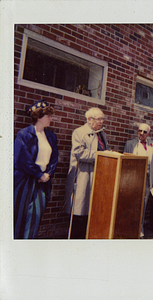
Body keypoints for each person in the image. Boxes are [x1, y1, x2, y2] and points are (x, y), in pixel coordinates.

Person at [14, 99, 58, 239]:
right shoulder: (24, 134)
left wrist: (48, 174)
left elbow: (54, 158)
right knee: (21, 215)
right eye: (48, 116)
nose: (51, 119)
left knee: (36, 216)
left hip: (42, 181)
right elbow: (22, 159)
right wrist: (38, 173)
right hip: (25, 180)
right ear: (38, 117)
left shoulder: (50, 136)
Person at [64, 107, 110, 239]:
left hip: (98, 177)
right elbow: (79, 153)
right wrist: (101, 155)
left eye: (102, 119)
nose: (101, 121)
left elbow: (104, 149)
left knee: (92, 211)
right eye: (99, 119)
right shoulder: (80, 132)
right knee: (80, 211)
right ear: (89, 120)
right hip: (83, 177)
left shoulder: (102, 133)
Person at [124, 123, 153, 238]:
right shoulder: (130, 144)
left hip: (147, 180)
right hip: (133, 180)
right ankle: (129, 229)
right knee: (132, 204)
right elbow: (125, 162)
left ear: (148, 133)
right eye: (140, 131)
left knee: (143, 206)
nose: (142, 133)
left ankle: (139, 230)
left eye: (145, 132)